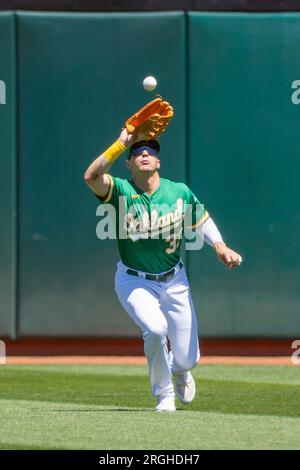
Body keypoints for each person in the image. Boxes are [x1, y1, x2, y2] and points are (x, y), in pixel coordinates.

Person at [84, 127, 242, 412]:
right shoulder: (120, 190)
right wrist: (120, 144)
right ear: (129, 163)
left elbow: (201, 219)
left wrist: (219, 245)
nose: (144, 153)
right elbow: (91, 177)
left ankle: (180, 371)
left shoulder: (178, 191)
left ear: (158, 162)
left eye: (151, 151)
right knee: (155, 330)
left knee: (187, 359)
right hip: (134, 280)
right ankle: (164, 393)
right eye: (137, 152)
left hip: (174, 280)